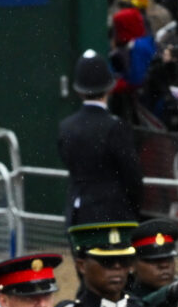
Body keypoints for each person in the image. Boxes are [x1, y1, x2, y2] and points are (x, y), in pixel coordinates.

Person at [60, 50, 144, 228]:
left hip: (77, 215)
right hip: (112, 217)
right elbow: (132, 176)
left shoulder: (66, 126)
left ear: (79, 91)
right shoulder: (115, 126)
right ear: (109, 88)